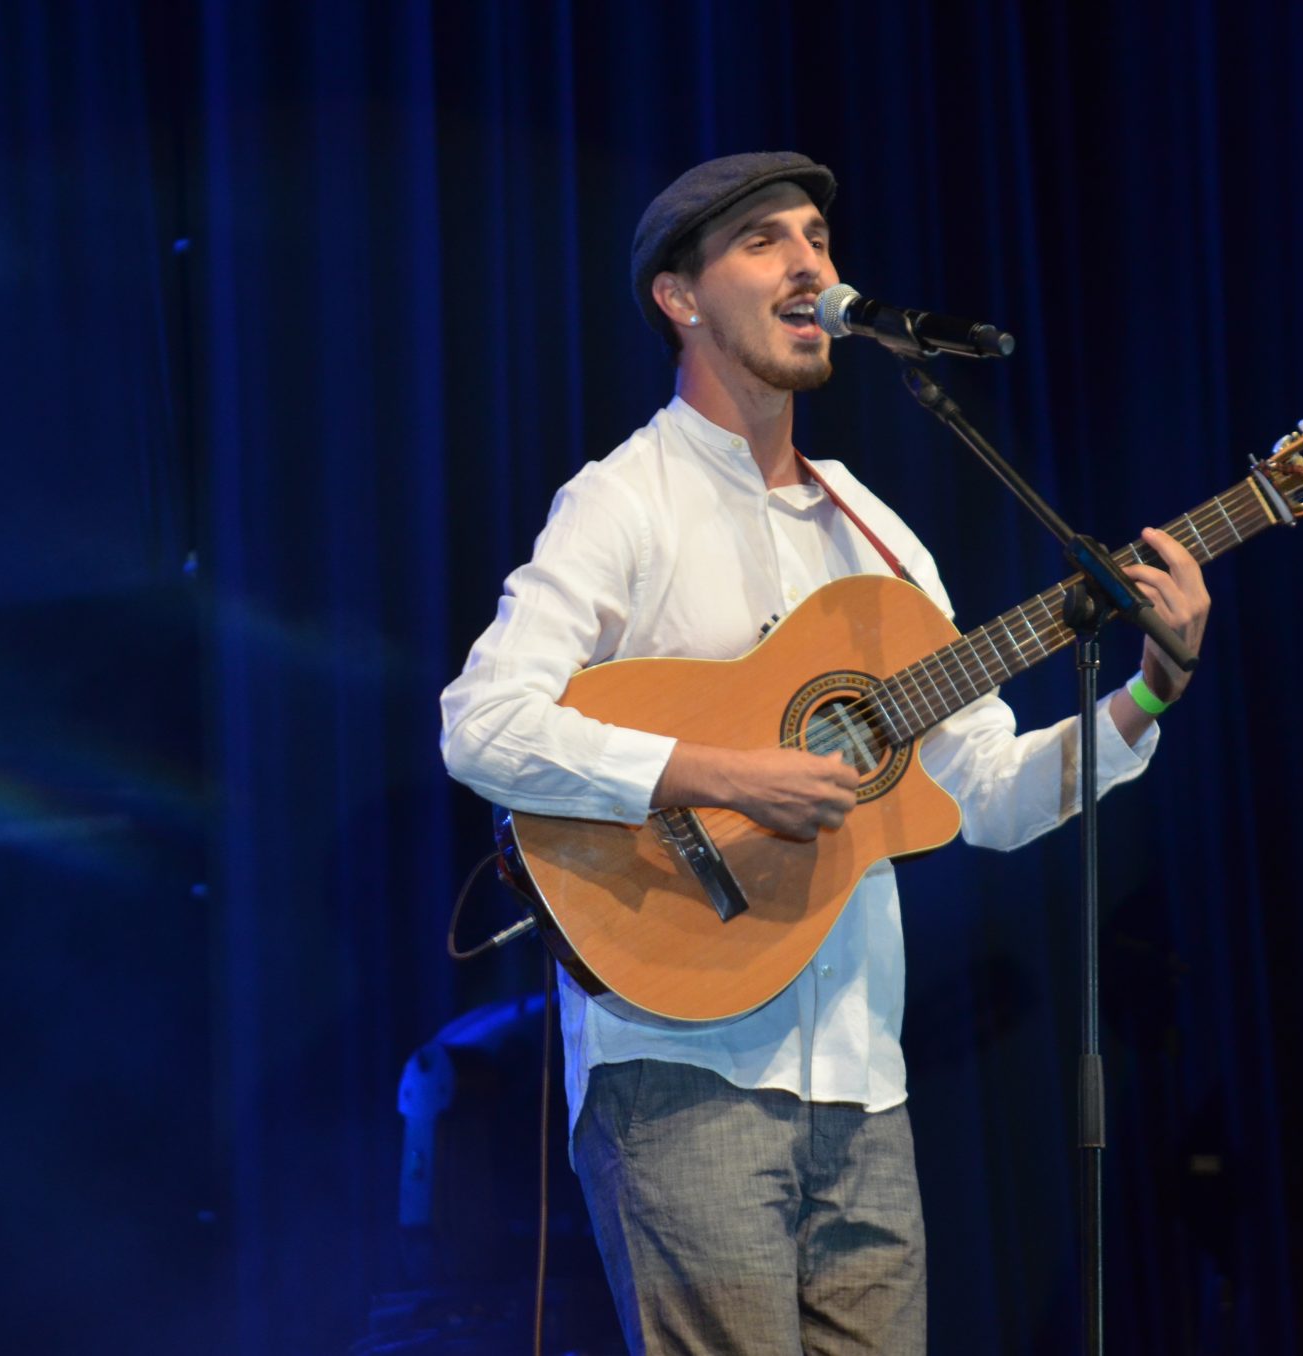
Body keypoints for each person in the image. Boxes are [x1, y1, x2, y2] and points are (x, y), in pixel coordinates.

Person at [439, 151, 1210, 1354]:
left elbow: (991, 796)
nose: (809, 264)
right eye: (763, 241)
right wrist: (719, 774)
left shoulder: (874, 530)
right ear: (678, 298)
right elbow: (481, 725)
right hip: (679, 1066)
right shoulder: (623, 501)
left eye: (816, 237)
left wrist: (1150, 693)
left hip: (864, 1084)